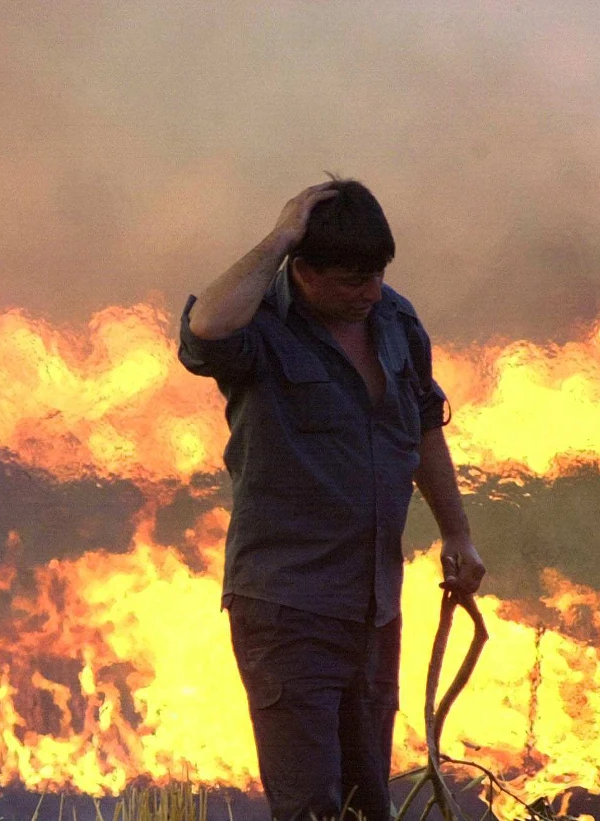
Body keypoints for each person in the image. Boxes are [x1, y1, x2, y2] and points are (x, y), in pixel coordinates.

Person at [177, 179, 485, 821]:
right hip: (288, 608)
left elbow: (423, 426)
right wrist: (283, 231)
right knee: (310, 806)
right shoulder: (258, 327)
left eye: (376, 275)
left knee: (365, 801)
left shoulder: (396, 322)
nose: (369, 293)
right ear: (304, 271)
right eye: (350, 280)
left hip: (373, 608)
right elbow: (204, 328)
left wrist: (457, 533)